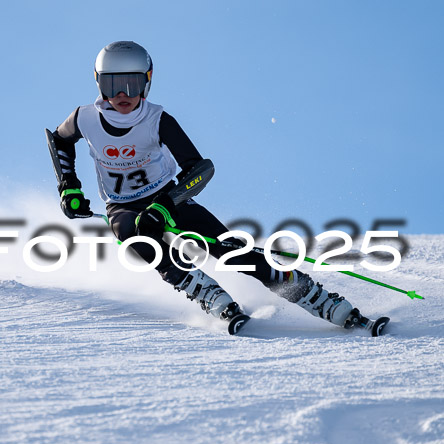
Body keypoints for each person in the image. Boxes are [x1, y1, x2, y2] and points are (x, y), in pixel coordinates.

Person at [50, 40, 367, 333]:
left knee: (229, 252)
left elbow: (200, 169)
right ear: (99, 83)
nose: (123, 94)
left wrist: (164, 206)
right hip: (123, 205)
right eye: (113, 84)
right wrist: (70, 187)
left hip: (170, 199)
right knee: (134, 235)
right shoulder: (84, 118)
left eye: (132, 83)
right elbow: (60, 142)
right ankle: (205, 292)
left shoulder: (157, 120)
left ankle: (318, 299)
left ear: (147, 81)